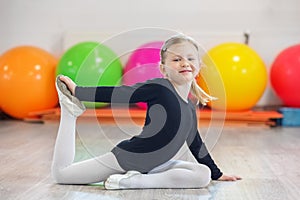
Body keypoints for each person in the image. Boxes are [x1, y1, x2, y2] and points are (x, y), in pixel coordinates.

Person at [51, 34, 241, 189]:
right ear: (163, 69)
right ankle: (70, 113)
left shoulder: (190, 107)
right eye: (177, 59)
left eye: (190, 58)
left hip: (156, 166)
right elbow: (122, 94)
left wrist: (218, 173)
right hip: (127, 159)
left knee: (203, 175)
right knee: (62, 175)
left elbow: (196, 143)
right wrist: (79, 91)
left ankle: (135, 181)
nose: (185, 63)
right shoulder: (160, 88)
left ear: (198, 66)